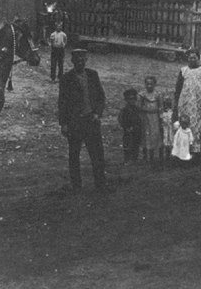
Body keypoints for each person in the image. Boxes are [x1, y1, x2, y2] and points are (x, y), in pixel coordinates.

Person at [58, 47, 110, 193]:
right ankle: (76, 186)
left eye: (83, 59)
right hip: (75, 122)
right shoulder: (66, 79)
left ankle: (100, 184)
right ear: (72, 61)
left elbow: (101, 97)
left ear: (86, 60)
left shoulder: (93, 75)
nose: (80, 62)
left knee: (97, 154)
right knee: (74, 155)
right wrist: (63, 124)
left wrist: (97, 114)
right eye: (77, 60)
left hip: (91, 121)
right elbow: (62, 102)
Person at [173, 48, 201, 161]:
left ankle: (196, 152)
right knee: (184, 126)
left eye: (194, 57)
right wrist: (176, 102)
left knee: (196, 126)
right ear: (187, 59)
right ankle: (182, 152)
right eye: (190, 57)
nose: (192, 59)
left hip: (197, 103)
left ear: (198, 59)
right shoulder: (183, 70)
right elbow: (178, 88)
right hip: (184, 103)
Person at [137, 75, 163, 164]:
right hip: (146, 117)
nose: (149, 86)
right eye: (147, 84)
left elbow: (160, 106)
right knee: (145, 135)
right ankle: (145, 156)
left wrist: (160, 115)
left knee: (155, 134)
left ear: (154, 84)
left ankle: (153, 156)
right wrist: (146, 110)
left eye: (151, 84)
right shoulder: (142, 95)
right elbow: (139, 107)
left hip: (155, 118)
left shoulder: (157, 94)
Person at [118, 88, 142, 164]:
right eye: (129, 99)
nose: (131, 101)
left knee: (136, 144)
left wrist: (137, 126)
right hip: (127, 130)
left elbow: (139, 119)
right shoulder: (124, 110)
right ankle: (127, 159)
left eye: (133, 99)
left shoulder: (137, 109)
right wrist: (126, 127)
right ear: (126, 100)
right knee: (127, 145)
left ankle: (134, 158)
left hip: (136, 130)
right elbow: (121, 119)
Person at [159, 96, 174, 165]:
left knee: (170, 142)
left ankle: (170, 156)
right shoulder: (162, 113)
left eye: (168, 104)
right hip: (164, 129)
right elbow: (160, 120)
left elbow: (173, 121)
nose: (166, 106)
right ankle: (163, 157)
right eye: (165, 104)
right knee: (164, 142)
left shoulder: (172, 112)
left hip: (170, 129)